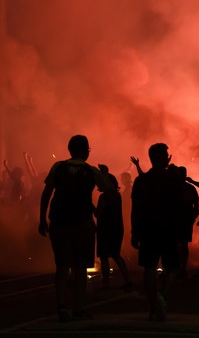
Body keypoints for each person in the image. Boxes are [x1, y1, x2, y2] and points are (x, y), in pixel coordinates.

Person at [39, 135, 112, 322]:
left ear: (69, 149)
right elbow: (108, 190)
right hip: (83, 223)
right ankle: (78, 307)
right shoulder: (91, 171)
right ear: (86, 150)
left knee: (62, 268)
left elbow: (47, 192)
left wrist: (42, 219)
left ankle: (62, 307)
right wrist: (104, 174)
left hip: (59, 222)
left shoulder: (58, 167)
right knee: (80, 268)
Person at [131, 143, 181, 321]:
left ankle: (153, 307)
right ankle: (163, 296)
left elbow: (135, 208)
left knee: (149, 268)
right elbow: (179, 206)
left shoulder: (141, 181)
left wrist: (134, 232)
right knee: (173, 267)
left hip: (147, 228)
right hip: (168, 228)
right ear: (164, 158)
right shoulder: (173, 178)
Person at [94, 164, 132, 290]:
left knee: (104, 257)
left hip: (106, 229)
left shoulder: (104, 197)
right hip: (116, 228)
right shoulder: (117, 195)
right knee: (116, 255)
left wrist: (90, 206)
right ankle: (127, 280)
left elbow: (98, 213)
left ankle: (106, 284)